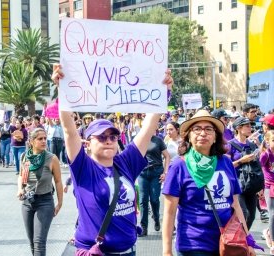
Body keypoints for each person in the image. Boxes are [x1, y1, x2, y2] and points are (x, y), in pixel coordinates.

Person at [52, 64, 173, 255]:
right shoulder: (83, 167)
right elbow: (69, 131)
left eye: (113, 137)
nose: (108, 141)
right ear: (88, 143)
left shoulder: (125, 163)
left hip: (128, 251)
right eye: (101, 137)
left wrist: (162, 91)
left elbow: (149, 127)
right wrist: (62, 88)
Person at [162, 110, 256, 256]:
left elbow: (236, 205)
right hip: (194, 245)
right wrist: (167, 251)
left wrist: (247, 240)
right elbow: (169, 213)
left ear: (215, 137)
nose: (203, 133)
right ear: (189, 136)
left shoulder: (226, 162)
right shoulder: (178, 166)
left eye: (208, 129)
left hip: (229, 243)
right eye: (197, 129)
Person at [17, 128, 63, 256]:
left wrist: (60, 203)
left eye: (45, 138)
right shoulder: (25, 156)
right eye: (40, 139)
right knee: (32, 242)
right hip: (27, 202)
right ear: (32, 141)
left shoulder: (51, 158)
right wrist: (20, 189)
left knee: (39, 242)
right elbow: (21, 176)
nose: (44, 141)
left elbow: (58, 181)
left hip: (45, 202)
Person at [227, 117, 262, 229]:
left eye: (250, 126)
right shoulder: (230, 145)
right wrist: (242, 160)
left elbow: (258, 166)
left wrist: (261, 186)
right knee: (243, 213)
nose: (250, 128)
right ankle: (240, 239)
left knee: (251, 216)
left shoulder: (251, 145)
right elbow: (226, 166)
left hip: (250, 184)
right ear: (238, 128)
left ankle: (244, 240)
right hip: (237, 185)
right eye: (247, 126)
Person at [138, 134, 170, 236]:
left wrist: (165, 173)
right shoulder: (139, 139)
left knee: (154, 199)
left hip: (156, 172)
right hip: (142, 173)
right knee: (143, 200)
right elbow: (133, 156)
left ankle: (156, 218)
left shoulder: (158, 140)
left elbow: (167, 156)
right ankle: (144, 227)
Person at [260, 130, 274, 254]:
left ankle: (268, 232)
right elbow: (258, 170)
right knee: (273, 214)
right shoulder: (266, 154)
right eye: (273, 140)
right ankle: (273, 243)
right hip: (269, 186)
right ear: (268, 142)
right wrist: (259, 187)